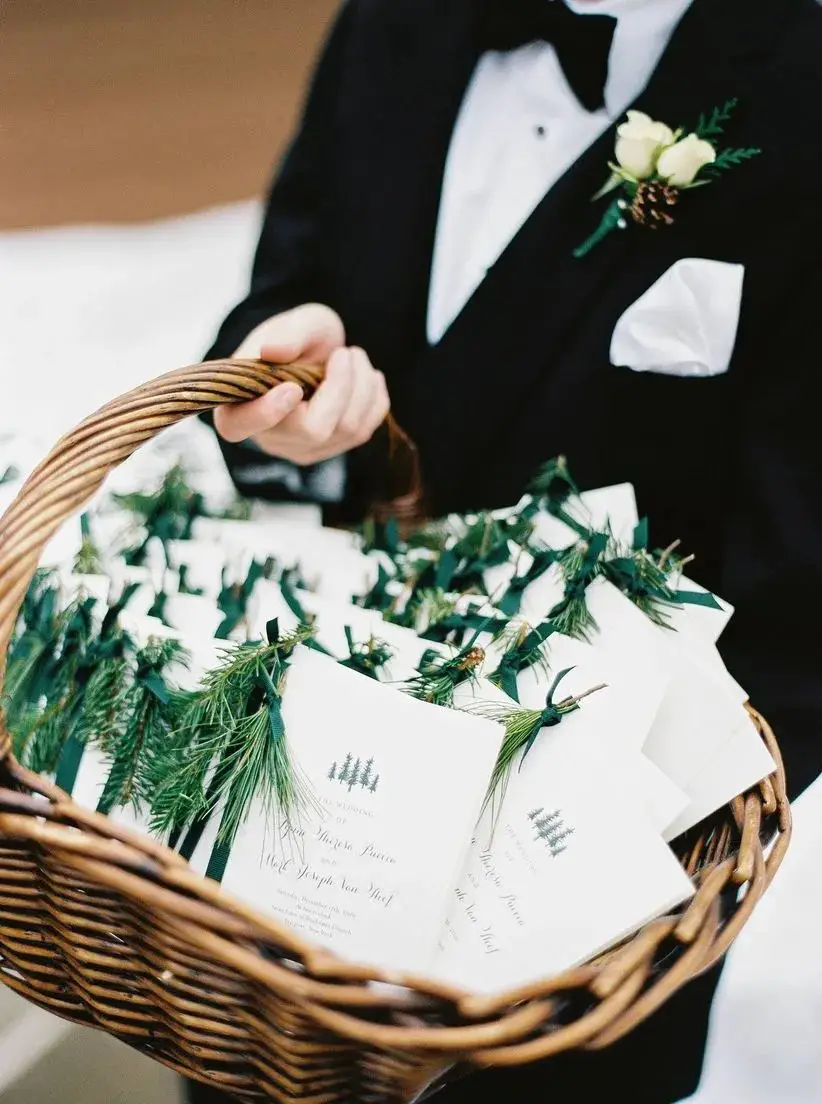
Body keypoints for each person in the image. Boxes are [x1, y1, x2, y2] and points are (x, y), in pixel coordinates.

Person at [189, 0, 822, 1100]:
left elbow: (802, 621)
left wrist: (574, 879)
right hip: (278, 859)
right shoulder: (396, 20)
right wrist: (291, 396)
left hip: (569, 954)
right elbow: (298, 274)